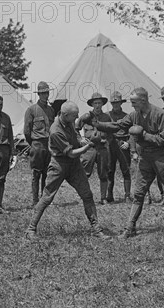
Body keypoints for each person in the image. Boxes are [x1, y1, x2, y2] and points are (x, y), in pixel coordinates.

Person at [90, 87, 164, 238]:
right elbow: (118, 125)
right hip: (145, 158)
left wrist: (143, 134)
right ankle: (130, 228)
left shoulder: (161, 114)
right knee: (139, 194)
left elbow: (163, 140)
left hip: (161, 158)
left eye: (134, 102)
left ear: (143, 100)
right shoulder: (135, 115)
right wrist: (98, 124)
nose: (132, 105)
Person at [25, 101, 109, 240]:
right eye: (74, 116)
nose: (76, 119)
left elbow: (75, 134)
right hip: (59, 164)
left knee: (87, 195)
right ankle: (30, 229)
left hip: (74, 165)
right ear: (65, 115)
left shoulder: (68, 121)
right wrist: (88, 147)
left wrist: (82, 140)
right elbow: (71, 153)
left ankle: (96, 229)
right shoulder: (55, 130)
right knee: (47, 197)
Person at [76, 92, 112, 204]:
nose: (97, 105)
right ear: (92, 104)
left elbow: (111, 132)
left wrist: (107, 141)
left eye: (99, 103)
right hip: (89, 148)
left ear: (102, 104)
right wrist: (81, 140)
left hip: (102, 148)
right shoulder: (86, 117)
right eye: (95, 103)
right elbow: (75, 129)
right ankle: (83, 196)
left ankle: (103, 198)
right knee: (84, 173)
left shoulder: (106, 117)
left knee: (103, 173)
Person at [24, 81, 55, 207]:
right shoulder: (31, 110)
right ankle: (35, 200)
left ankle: (44, 199)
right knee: (36, 173)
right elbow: (27, 130)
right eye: (42, 93)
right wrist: (33, 143)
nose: (45, 96)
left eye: (47, 93)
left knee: (47, 173)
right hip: (37, 144)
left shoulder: (51, 110)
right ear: (39, 94)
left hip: (48, 145)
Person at [106, 91, 132, 203]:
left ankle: (127, 196)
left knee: (125, 169)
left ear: (121, 103)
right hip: (111, 143)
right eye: (113, 103)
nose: (115, 105)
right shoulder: (107, 116)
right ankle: (109, 195)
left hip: (123, 143)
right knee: (110, 170)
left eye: (117, 103)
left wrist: (129, 143)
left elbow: (132, 132)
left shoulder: (127, 116)